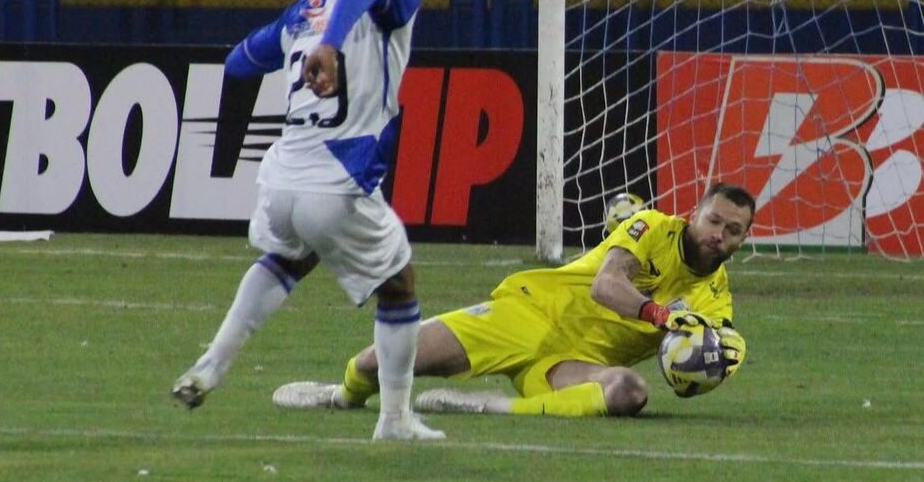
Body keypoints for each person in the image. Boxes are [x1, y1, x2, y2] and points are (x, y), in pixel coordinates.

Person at [171, 0, 445, 441]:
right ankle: (394, 420)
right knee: (400, 285)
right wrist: (331, 44)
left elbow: (236, 63)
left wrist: (305, 39)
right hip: (335, 181)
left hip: (282, 179)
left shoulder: (304, 10)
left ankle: (211, 365)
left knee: (287, 259)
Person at [272, 182, 753, 418]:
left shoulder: (714, 295)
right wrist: (660, 315)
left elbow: (697, 364)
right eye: (714, 221)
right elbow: (606, 285)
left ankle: (487, 407)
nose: (719, 235)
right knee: (379, 362)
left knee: (630, 392)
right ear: (694, 215)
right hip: (525, 315)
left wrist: (715, 363)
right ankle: (339, 396)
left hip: (574, 363)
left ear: (741, 240)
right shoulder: (650, 227)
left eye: (733, 230)